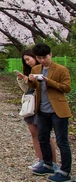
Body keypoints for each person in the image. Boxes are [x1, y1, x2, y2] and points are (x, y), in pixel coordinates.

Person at [28, 43, 72, 182]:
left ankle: (65, 171)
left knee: (62, 141)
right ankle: (47, 164)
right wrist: (31, 81)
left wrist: (49, 81)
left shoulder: (61, 69)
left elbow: (66, 88)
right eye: (39, 58)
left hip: (58, 110)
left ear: (50, 55)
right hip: (42, 110)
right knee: (43, 138)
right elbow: (34, 87)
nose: (42, 60)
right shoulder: (36, 68)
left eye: (45, 57)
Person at [15, 50, 58, 171]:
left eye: (29, 59)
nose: (27, 62)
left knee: (44, 134)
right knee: (34, 132)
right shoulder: (30, 72)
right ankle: (41, 159)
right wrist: (22, 79)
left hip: (41, 104)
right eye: (25, 61)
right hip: (29, 104)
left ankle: (52, 162)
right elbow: (26, 89)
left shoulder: (45, 70)